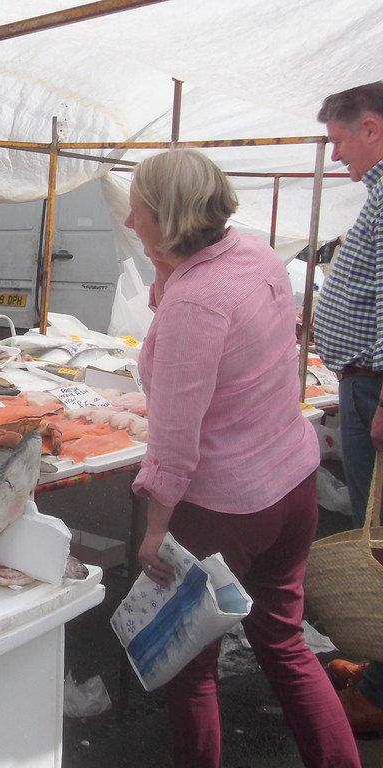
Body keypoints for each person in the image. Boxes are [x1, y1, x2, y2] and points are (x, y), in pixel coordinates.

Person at [127, 149, 361, 767]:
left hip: (226, 503)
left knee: (190, 665)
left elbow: (174, 439)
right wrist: (164, 275)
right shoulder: (254, 252)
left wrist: (155, 530)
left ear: (167, 216)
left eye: (138, 212)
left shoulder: (195, 302)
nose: (130, 224)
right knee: (284, 643)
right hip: (292, 480)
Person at [311, 81, 383, 733]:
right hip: (364, 381)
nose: (335, 157)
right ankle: (381, 668)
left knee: (380, 537)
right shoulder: (379, 193)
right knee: (372, 525)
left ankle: (381, 699)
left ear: (370, 127)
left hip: (377, 385)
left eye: (337, 141)